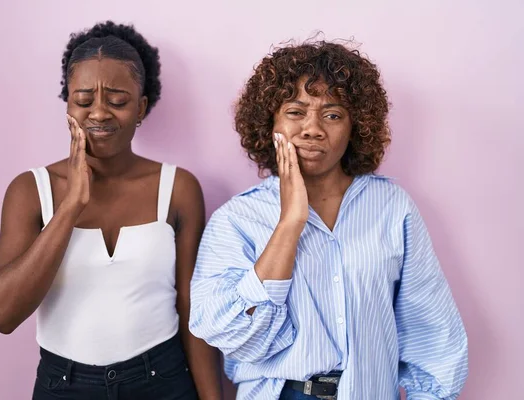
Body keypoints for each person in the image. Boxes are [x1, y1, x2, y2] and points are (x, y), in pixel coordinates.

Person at [189, 38, 468, 400]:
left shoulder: (391, 207)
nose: (312, 128)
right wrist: (289, 224)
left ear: (356, 128)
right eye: (295, 111)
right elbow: (233, 336)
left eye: (333, 114)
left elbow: (431, 330)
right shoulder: (237, 219)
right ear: (269, 121)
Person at [0, 21, 221, 400]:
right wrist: (71, 205)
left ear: (141, 106)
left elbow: (192, 308)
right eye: (83, 99)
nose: (99, 113)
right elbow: (2, 315)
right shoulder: (31, 190)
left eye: (118, 100)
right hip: (64, 385)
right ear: (68, 105)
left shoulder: (179, 189)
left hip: (163, 380)